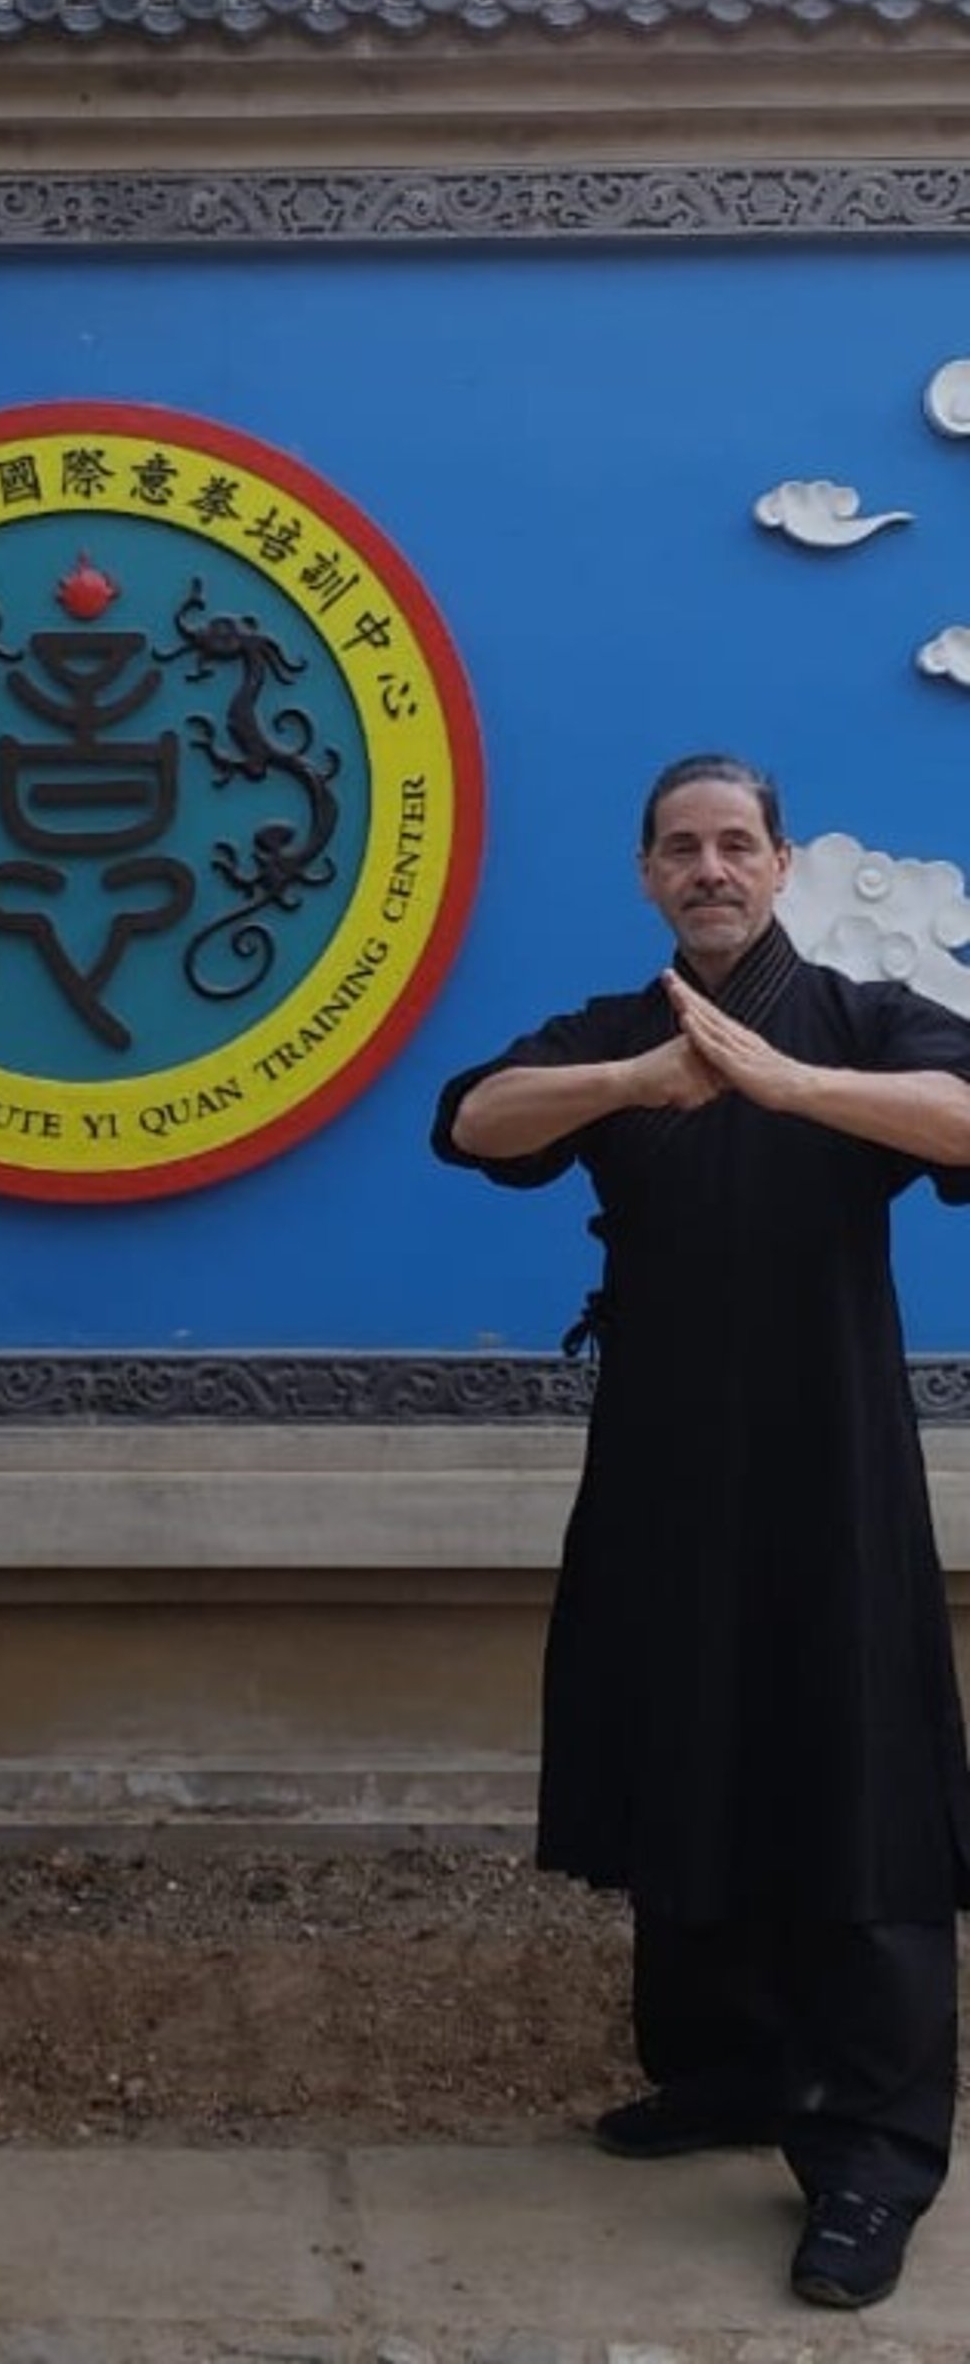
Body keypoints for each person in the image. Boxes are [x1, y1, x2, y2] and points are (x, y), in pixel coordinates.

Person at [433, 753, 970, 2313]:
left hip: (832, 1469)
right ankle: (730, 2070)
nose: (712, 868)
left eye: (738, 843)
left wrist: (792, 1087)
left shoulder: (861, 1020)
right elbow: (472, 1123)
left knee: (856, 1780)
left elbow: (963, 1114)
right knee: (686, 1751)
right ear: (649, 875)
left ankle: (870, 2155)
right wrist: (635, 1083)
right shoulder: (619, 1031)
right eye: (683, 847)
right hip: (666, 1471)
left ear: (783, 865)